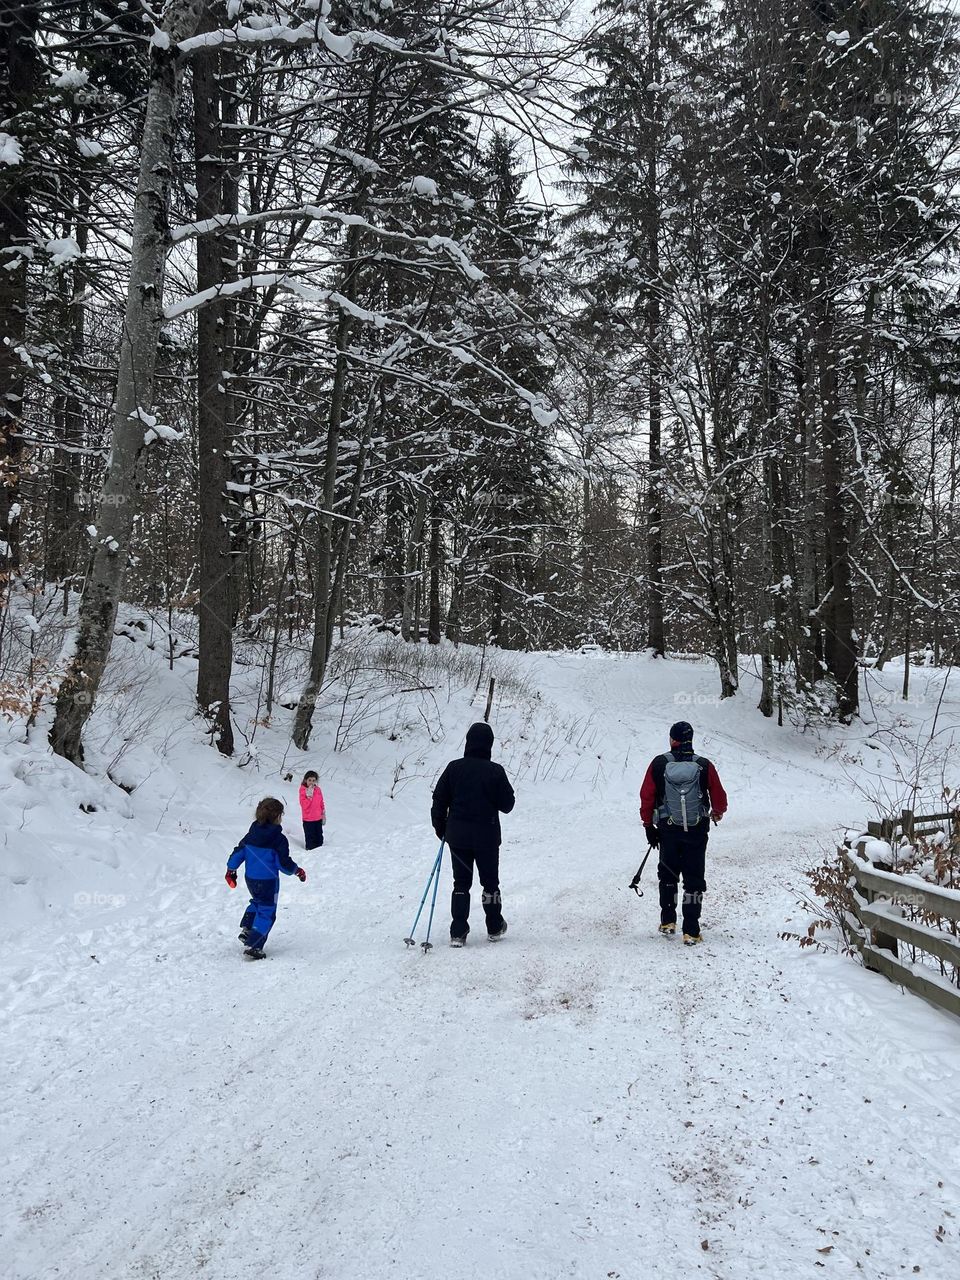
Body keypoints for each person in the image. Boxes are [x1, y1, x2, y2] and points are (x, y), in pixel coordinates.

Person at [639, 720, 727, 947]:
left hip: (668, 829)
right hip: (697, 830)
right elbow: (719, 797)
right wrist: (717, 812)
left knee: (668, 875)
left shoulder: (659, 764)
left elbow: (647, 796)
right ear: (690, 739)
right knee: (693, 879)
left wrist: (648, 825)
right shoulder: (704, 765)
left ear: (672, 740)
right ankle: (691, 931)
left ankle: (668, 921)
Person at [431, 721, 515, 947]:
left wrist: (441, 828)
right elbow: (508, 805)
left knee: (461, 883)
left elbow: (439, 800)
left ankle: (458, 931)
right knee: (490, 883)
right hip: (487, 838)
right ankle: (494, 926)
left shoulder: (454, 768)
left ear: (468, 742)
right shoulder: (495, 771)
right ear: (489, 745)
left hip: (458, 838)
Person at [225, 797, 306, 959]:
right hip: (268, 882)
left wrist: (231, 869)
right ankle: (255, 945)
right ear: (278, 817)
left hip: (251, 879)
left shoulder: (251, 835)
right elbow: (283, 864)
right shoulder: (278, 840)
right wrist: (297, 871)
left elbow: (238, 853)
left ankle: (247, 929)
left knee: (257, 901)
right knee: (267, 911)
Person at [299, 770, 326, 849]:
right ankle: (310, 852)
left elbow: (321, 802)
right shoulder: (303, 790)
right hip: (308, 820)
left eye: (313, 780)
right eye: (309, 780)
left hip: (318, 818)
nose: (311, 782)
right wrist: (309, 796)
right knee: (310, 839)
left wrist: (323, 814)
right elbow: (304, 805)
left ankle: (320, 852)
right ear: (305, 780)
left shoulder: (318, 789)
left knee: (319, 838)